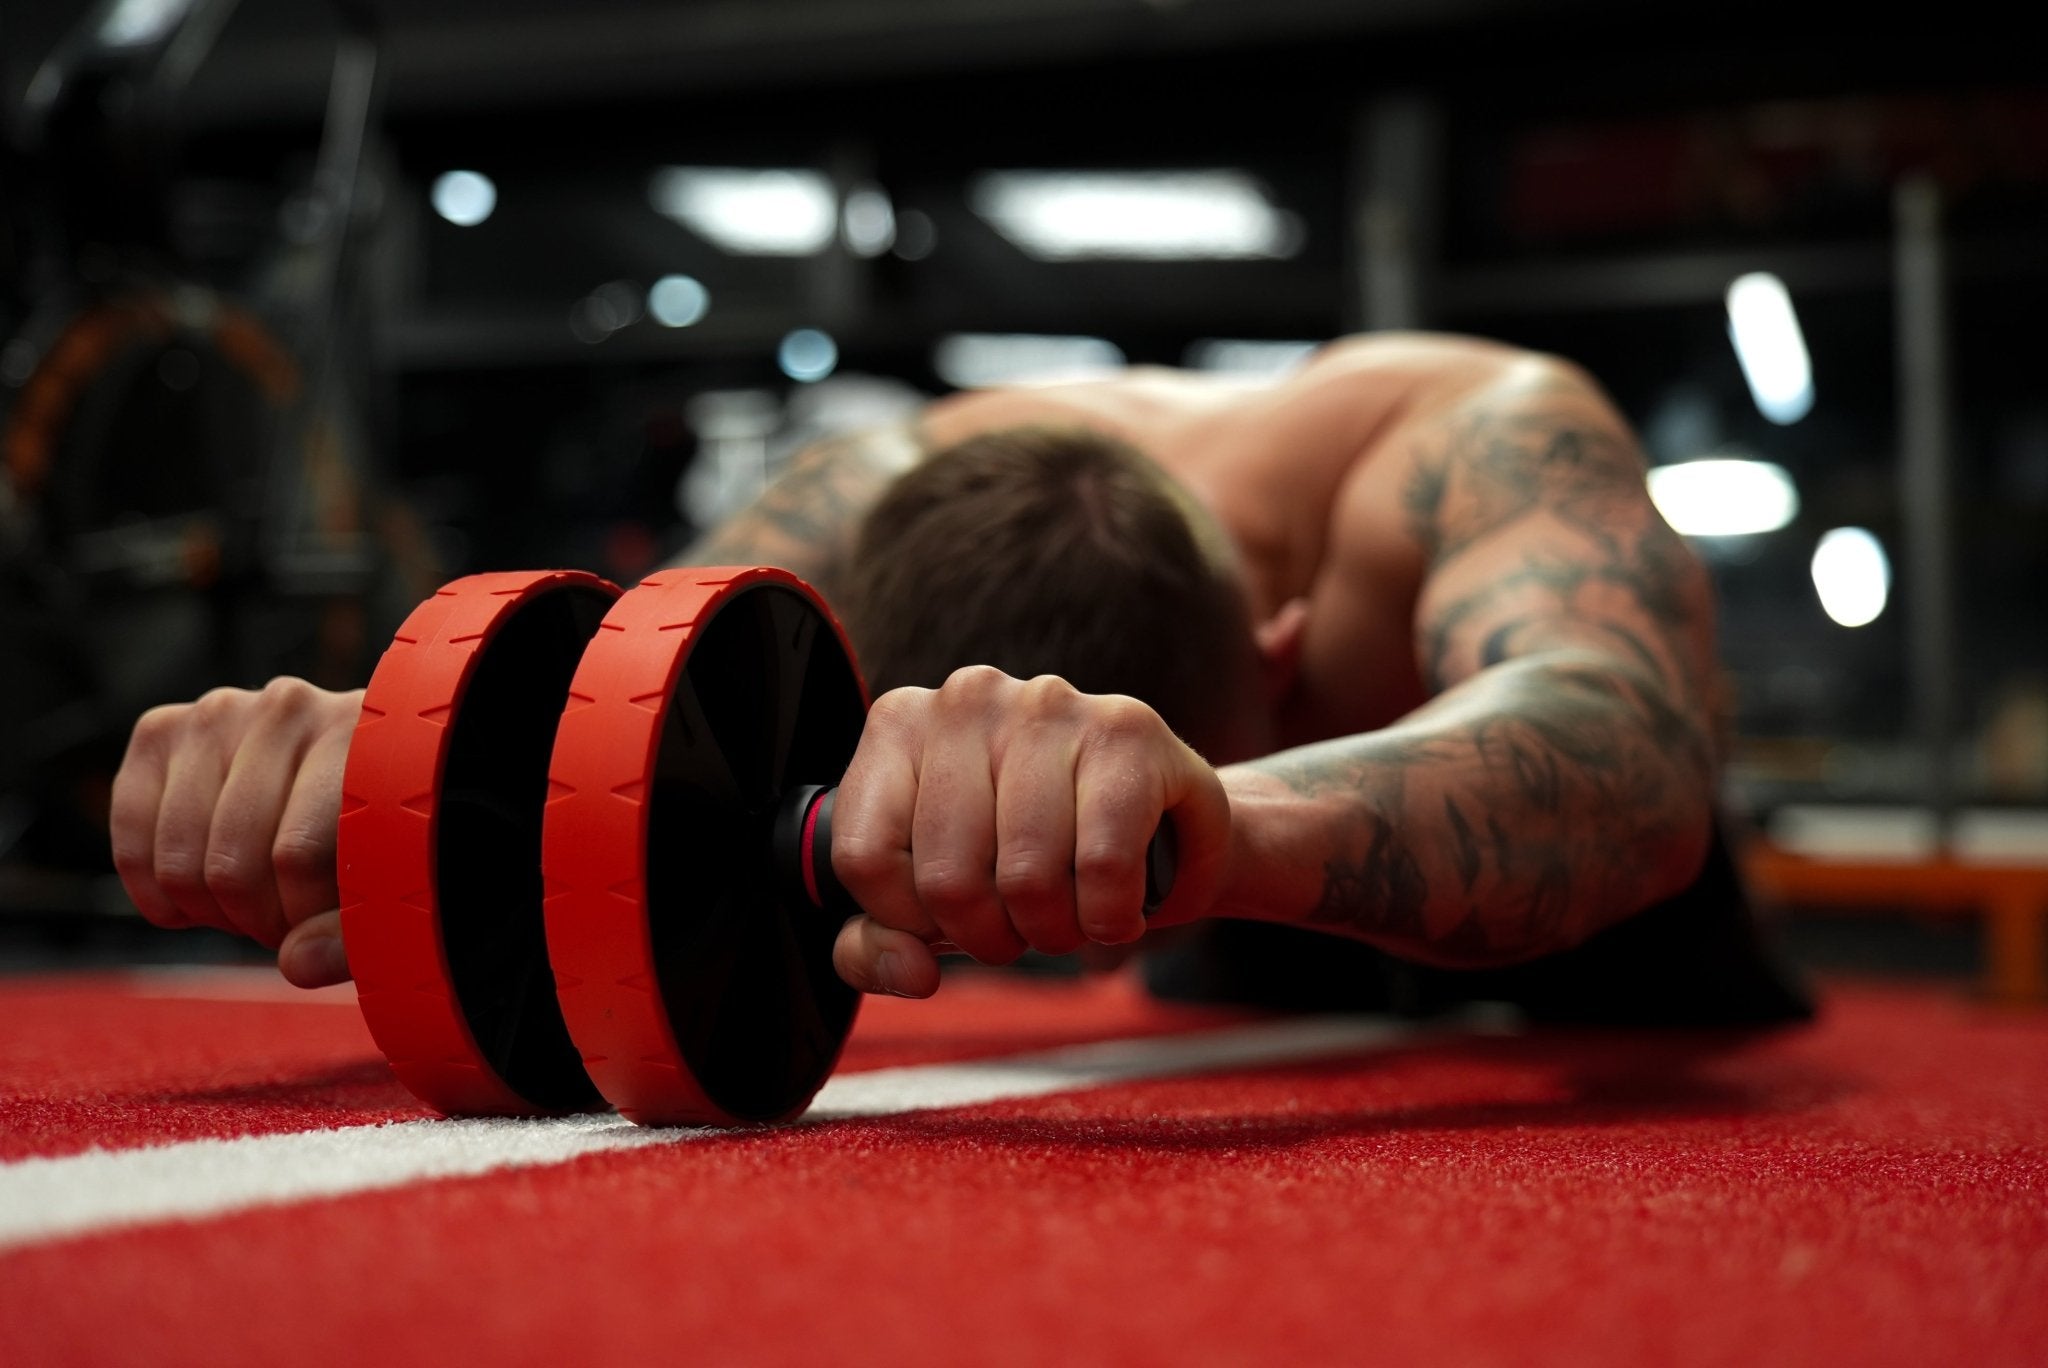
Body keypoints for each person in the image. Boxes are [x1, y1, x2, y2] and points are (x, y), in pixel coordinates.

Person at [109, 332, 1810, 1024]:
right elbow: (600, 730)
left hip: (1617, 951)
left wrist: (1210, 825)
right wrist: (396, 765)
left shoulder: (1478, 435)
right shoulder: (860, 506)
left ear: (1292, 661)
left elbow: (1622, 734)